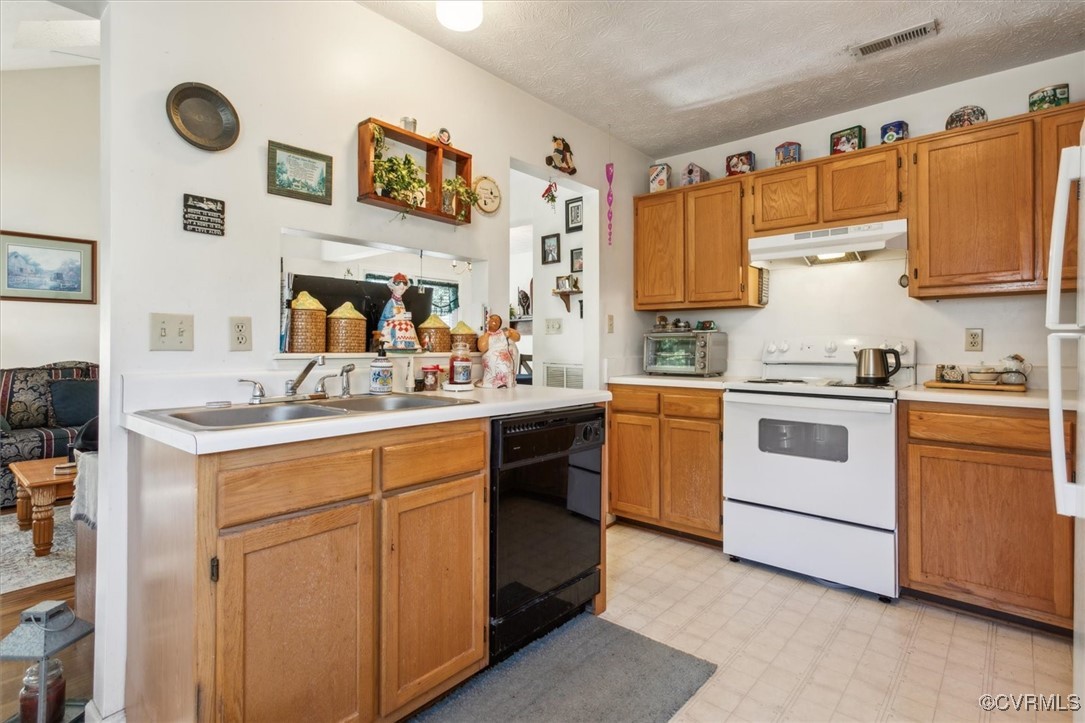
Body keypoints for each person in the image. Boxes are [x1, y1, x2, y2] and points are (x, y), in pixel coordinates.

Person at [477, 314, 521, 388]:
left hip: (508, 360)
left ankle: (507, 382)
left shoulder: (506, 330)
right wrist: (487, 334)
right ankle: (493, 382)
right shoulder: (485, 336)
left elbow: (517, 337)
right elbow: (482, 348)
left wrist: (510, 334)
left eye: (497, 320)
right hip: (492, 361)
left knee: (505, 368)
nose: (495, 321)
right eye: (492, 319)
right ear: (488, 322)